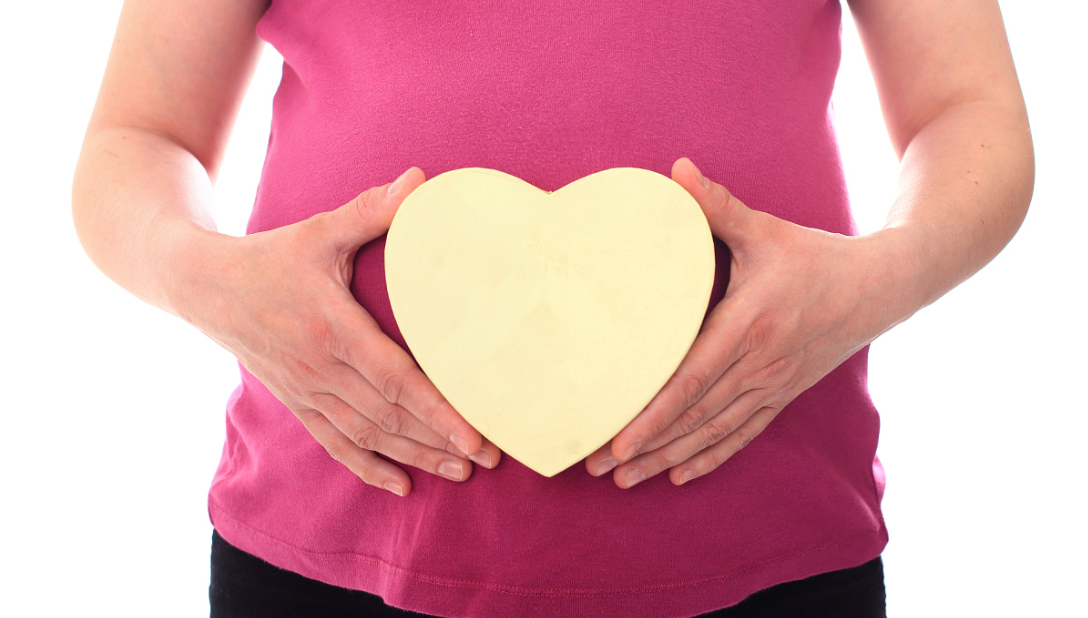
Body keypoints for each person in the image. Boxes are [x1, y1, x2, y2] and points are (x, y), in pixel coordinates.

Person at [71, 0, 1033, 616]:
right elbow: (139, 135)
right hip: (329, 552)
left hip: (769, 551)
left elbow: (967, 106)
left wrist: (881, 278)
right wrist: (206, 275)